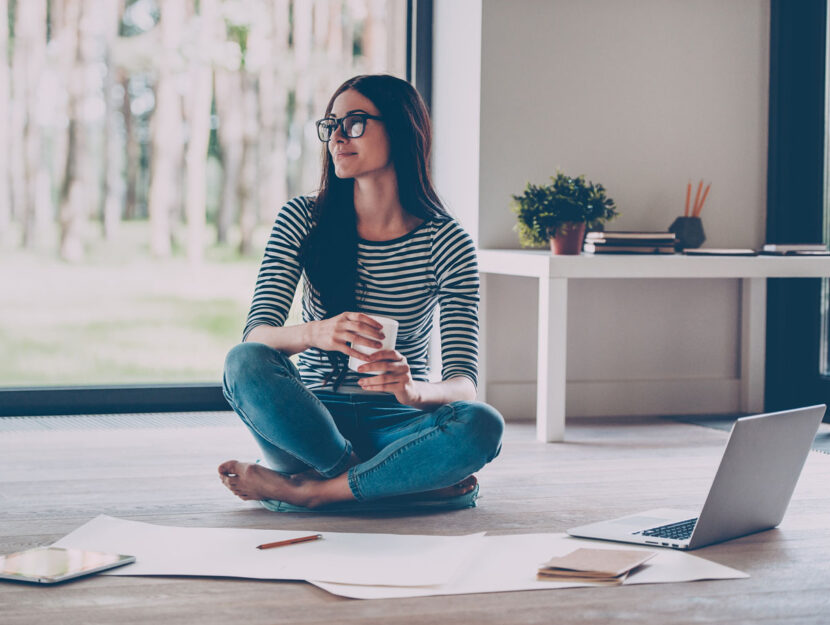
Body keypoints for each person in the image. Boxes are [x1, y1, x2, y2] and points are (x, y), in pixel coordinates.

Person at [218, 74, 504, 511]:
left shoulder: (446, 240)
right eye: (330, 124)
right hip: (309, 425)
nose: (335, 137)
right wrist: (315, 333)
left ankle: (309, 491)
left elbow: (464, 385)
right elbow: (257, 336)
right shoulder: (302, 219)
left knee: (483, 424)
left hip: (399, 421)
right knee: (242, 362)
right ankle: (382, 479)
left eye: (353, 123)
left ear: (402, 128)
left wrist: (412, 392)